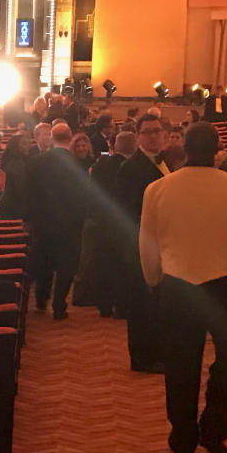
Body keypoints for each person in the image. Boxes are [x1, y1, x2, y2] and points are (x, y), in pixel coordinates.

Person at [139, 123, 227, 453]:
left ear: (184, 149)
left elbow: (148, 242)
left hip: (177, 283)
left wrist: (152, 279)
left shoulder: (158, 189)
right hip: (225, 283)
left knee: (180, 363)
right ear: (218, 150)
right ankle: (215, 427)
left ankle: (183, 435)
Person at [115, 112, 169, 372]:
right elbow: (126, 210)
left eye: (157, 131)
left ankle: (156, 352)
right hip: (139, 243)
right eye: (147, 132)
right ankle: (142, 357)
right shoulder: (131, 168)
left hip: (163, 244)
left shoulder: (165, 162)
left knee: (156, 303)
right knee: (140, 303)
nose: (153, 136)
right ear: (137, 137)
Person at [27, 123, 90, 319]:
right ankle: (59, 305)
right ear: (70, 138)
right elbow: (83, 196)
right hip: (69, 223)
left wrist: (31, 219)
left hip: (43, 222)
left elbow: (31, 193)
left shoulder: (37, 162)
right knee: (66, 265)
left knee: (43, 263)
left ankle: (40, 300)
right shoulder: (78, 163)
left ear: (52, 138)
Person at [88, 130, 137, 318]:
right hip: (124, 222)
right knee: (123, 266)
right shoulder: (132, 166)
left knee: (104, 263)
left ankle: (104, 305)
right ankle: (122, 306)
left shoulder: (100, 165)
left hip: (102, 220)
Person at [0, 132, 33, 220]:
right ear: (16, 147)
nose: (28, 146)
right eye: (24, 143)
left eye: (29, 143)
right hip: (12, 208)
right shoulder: (16, 164)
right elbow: (22, 190)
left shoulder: (18, 161)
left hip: (11, 205)